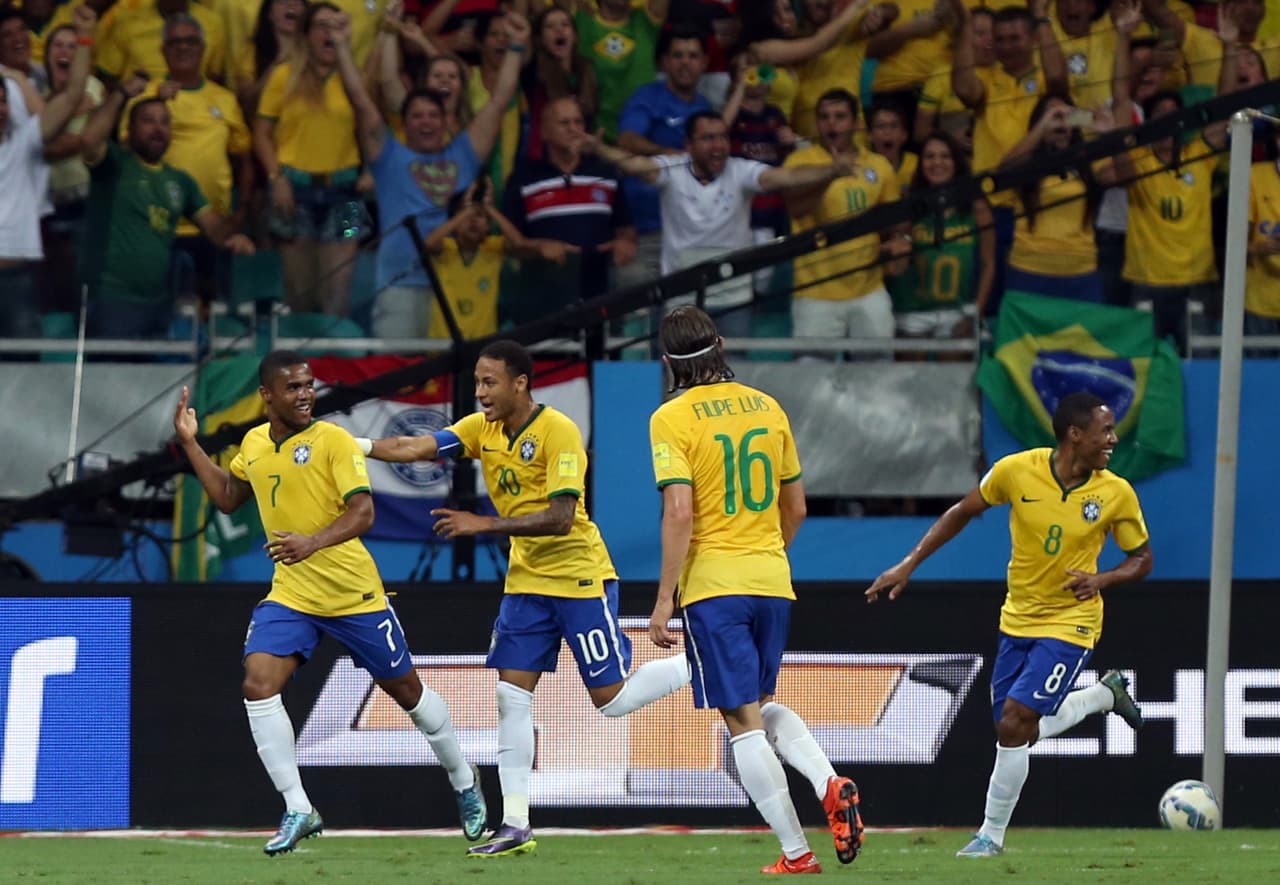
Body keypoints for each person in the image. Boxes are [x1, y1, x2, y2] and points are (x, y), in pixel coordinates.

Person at [360, 339, 692, 858]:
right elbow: (415, 447)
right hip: (526, 584)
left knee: (613, 701)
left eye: (490, 382)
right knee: (510, 695)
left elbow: (561, 518)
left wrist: (485, 523)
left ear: (520, 383)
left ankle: (696, 661)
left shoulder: (558, 431)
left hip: (580, 577)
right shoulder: (480, 429)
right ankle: (516, 824)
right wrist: (353, 446)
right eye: (477, 383)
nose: (481, 393)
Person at [171, 349, 489, 856]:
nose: (305, 395)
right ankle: (299, 807)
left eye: (308, 385)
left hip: (353, 594)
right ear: (266, 396)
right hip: (292, 594)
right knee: (258, 683)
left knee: (409, 695)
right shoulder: (254, 442)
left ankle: (461, 776)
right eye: (293, 387)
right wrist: (190, 444)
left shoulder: (333, 440)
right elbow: (230, 496)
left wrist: (310, 543)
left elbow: (363, 513)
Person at [865, 391, 1152, 857]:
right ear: (1074, 436)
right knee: (1012, 726)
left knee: (1014, 723)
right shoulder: (1017, 471)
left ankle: (989, 837)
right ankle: (1103, 695)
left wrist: (1104, 577)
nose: (1113, 440)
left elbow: (1142, 559)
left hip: (1072, 621)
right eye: (1105, 432)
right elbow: (963, 512)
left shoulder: (1115, 492)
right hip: (1018, 616)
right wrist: (908, 564)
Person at [646, 305, 861, 875]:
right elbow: (797, 507)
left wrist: (665, 597)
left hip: (715, 587)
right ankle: (828, 780)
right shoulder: (768, 406)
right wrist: (766, 556)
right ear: (719, 344)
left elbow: (679, 511)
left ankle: (796, 853)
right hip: (772, 579)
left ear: (668, 360)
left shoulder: (671, 417)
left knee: (740, 722)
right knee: (761, 707)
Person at [578, 110, 859, 339]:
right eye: (708, 138)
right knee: (680, 376)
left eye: (723, 137)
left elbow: (786, 177)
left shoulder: (741, 170)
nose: (718, 145)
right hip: (682, 295)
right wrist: (600, 149)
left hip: (733, 296)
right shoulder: (673, 169)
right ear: (688, 145)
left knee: (735, 374)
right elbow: (636, 166)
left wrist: (831, 170)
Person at [335, 6, 526, 337]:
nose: (426, 121)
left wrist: (517, 47)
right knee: (397, 382)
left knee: (454, 386)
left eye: (432, 116)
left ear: (444, 120)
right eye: (417, 116)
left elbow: (499, 101)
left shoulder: (465, 154)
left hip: (457, 286)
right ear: (405, 124)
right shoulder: (389, 157)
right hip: (400, 287)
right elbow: (361, 100)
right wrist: (341, 46)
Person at [121, 13, 252, 309]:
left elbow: (244, 158)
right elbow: (127, 152)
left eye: (191, 41)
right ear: (163, 50)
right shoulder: (146, 96)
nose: (184, 48)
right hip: (157, 229)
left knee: (212, 313)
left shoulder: (224, 99)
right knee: (159, 312)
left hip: (212, 229)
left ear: (203, 48)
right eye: (176, 42)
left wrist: (242, 211)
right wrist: (159, 104)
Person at [1, 3, 97, 340]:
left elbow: (71, 96)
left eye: (2, 101)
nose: (1, 107)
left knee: (27, 370)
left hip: (19, 275)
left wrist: (84, 38)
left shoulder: (23, 143)